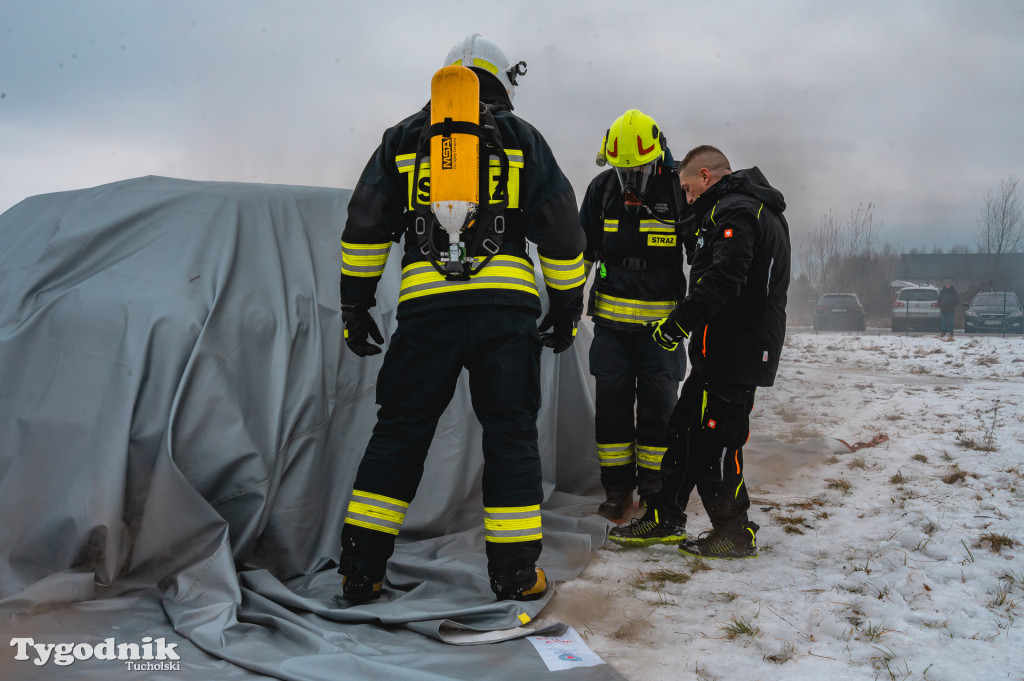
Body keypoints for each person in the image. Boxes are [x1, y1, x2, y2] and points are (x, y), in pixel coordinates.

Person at [337, 34, 586, 603]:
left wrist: (355, 304)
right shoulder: (523, 139)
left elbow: (365, 225)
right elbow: (562, 231)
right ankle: (516, 576)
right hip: (507, 314)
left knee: (399, 434)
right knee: (511, 438)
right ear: (502, 81)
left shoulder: (403, 138)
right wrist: (567, 306)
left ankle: (361, 570)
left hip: (426, 314)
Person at [609, 145, 790, 559]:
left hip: (737, 352)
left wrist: (677, 323)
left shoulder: (738, 210)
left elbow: (726, 278)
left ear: (707, 176)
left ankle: (734, 531)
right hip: (718, 352)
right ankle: (665, 516)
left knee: (717, 443)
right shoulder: (733, 208)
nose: (688, 199)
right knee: (683, 432)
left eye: (689, 189)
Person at [578, 109, 694, 521]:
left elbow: (700, 257)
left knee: (659, 410)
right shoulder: (601, 191)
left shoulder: (679, 189)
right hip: (611, 330)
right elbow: (582, 253)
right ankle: (617, 490)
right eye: (624, 170)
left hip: (662, 331)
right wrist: (566, 303)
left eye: (639, 170)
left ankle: (655, 489)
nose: (631, 181)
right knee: (610, 410)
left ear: (658, 157)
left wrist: (700, 312)